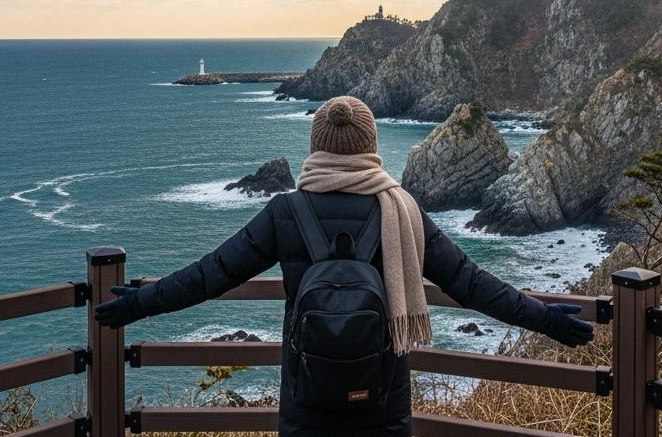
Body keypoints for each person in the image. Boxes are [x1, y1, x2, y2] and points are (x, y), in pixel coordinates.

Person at [95, 95, 594, 437]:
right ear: (370, 146)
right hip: (382, 399)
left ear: (317, 145)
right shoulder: (402, 211)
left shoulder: (285, 212)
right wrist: (544, 318)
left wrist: (140, 303)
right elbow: (470, 283)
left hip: (306, 399)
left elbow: (210, 275)